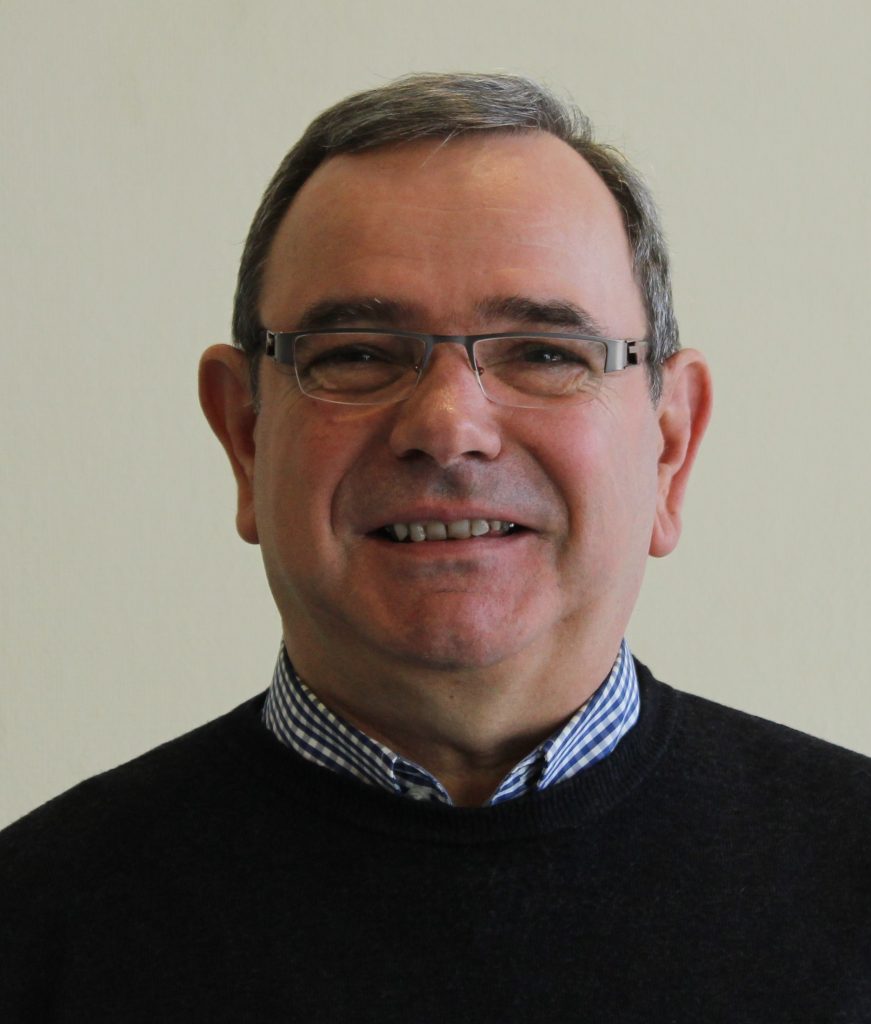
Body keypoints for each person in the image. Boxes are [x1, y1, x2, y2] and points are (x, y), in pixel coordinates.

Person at [1, 73, 868, 1022]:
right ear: (245, 436)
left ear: (669, 446)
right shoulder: (32, 924)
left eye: (543, 353)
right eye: (357, 354)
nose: (448, 426)